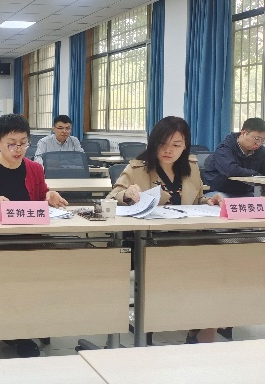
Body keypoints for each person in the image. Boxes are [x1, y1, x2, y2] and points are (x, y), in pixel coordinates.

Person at [106, 116, 222, 344]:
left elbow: (197, 200)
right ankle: (171, 324)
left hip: (187, 239)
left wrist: (208, 202)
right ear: (153, 143)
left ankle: (202, 327)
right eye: (163, 144)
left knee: (217, 266)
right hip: (149, 241)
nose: (169, 150)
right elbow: (112, 198)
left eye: (176, 145)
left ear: (185, 145)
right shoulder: (138, 168)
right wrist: (127, 195)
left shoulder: (191, 167)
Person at [0, 113, 67, 358]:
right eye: (11, 143)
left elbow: (40, 196)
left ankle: (22, 333)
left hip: (26, 240)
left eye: (23, 143)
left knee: (26, 285)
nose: (18, 149)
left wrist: (49, 196)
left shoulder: (35, 169)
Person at [204, 117, 265, 197]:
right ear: (243, 133)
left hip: (244, 192)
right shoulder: (225, 148)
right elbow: (231, 170)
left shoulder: (260, 151)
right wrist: (255, 173)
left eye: (263, 140)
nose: (259, 143)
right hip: (219, 191)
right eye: (257, 139)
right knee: (223, 200)